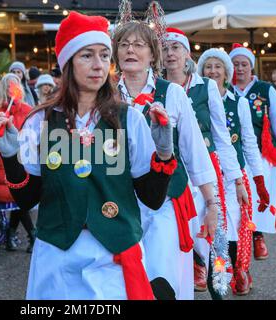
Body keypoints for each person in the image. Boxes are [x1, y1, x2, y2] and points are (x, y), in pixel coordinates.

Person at [0, 11, 175, 300]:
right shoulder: (41, 121)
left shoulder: (130, 120)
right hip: (57, 260)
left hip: (113, 260)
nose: (98, 65)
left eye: (104, 55)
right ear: (68, 63)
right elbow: (28, 199)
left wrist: (164, 154)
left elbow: (151, 198)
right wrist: (11, 156)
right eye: (87, 55)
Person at [113, 19, 217, 300]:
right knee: (123, 280)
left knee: (161, 274)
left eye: (138, 45)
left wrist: (211, 203)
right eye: (124, 44)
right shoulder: (105, 95)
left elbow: (195, 150)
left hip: (165, 201)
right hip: (119, 201)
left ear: (151, 54)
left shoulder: (172, 93)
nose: (130, 50)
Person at [164, 28, 243, 299]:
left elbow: (222, 137)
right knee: (178, 237)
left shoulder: (205, 86)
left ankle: (219, 289)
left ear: (187, 53)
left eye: (176, 47)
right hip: (172, 174)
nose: (170, 53)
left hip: (207, 172)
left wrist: (238, 180)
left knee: (217, 240)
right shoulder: (157, 88)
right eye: (164, 48)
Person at [198, 48, 267, 295]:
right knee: (210, 228)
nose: (213, 71)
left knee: (235, 226)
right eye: (208, 66)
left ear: (227, 73)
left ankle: (238, 271)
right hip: (204, 177)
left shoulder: (239, 103)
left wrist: (258, 181)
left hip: (232, 177)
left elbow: (249, 142)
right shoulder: (198, 100)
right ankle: (214, 274)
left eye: (218, 67)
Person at [230, 43, 276, 260]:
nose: (239, 68)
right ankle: (236, 243)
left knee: (259, 197)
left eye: (244, 64)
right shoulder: (222, 89)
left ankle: (257, 236)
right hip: (231, 155)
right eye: (235, 64)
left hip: (261, 154)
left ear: (251, 66)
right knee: (234, 200)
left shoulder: (266, 90)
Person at [0, 73, 35, 252]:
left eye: (14, 85)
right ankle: (31, 235)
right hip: (4, 161)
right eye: (7, 85)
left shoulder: (27, 109)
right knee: (16, 200)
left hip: (24, 159)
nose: (11, 89)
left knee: (20, 200)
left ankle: (13, 234)